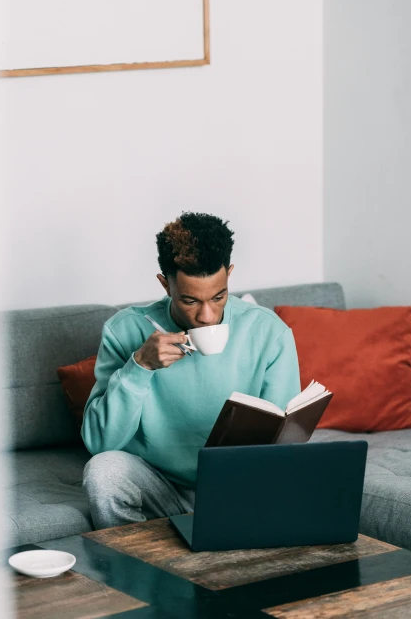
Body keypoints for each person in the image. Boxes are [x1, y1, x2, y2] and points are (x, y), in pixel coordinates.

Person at [81, 211, 301, 529]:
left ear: (229, 275)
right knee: (103, 471)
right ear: (165, 284)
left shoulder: (268, 332)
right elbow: (101, 443)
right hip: (159, 486)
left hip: (238, 487)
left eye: (219, 296)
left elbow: (285, 440)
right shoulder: (124, 330)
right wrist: (139, 366)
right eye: (190, 301)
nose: (208, 316)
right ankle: (132, 568)